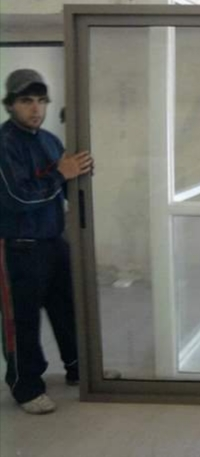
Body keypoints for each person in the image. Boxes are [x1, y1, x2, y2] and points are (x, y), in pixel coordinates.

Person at [0, 69, 93, 414]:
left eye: (41, 101)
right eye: (26, 101)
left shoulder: (49, 141)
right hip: (18, 247)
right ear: (10, 105)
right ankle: (25, 387)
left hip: (54, 241)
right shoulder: (5, 144)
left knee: (67, 308)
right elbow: (18, 198)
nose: (35, 108)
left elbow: (66, 186)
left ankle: (78, 368)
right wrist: (60, 174)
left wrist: (80, 171)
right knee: (22, 320)